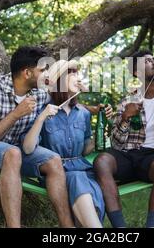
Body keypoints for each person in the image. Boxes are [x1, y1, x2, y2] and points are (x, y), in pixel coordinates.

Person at [0, 46, 74, 228]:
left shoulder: (40, 92)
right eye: (43, 70)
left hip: (15, 147)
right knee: (12, 153)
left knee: (53, 160)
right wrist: (15, 114)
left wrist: (93, 109)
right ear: (27, 73)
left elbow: (63, 102)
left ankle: (68, 227)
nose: (48, 75)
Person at [93, 50, 154, 228]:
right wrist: (125, 117)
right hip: (127, 155)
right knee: (102, 161)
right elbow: (116, 143)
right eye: (148, 61)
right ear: (136, 72)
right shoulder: (127, 100)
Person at [22, 60, 110, 228]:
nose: (78, 78)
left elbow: (85, 149)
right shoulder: (42, 109)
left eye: (78, 74)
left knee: (86, 183)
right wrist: (41, 118)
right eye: (73, 74)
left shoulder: (83, 113)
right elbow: (27, 148)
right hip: (57, 173)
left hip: (83, 169)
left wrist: (102, 136)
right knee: (77, 179)